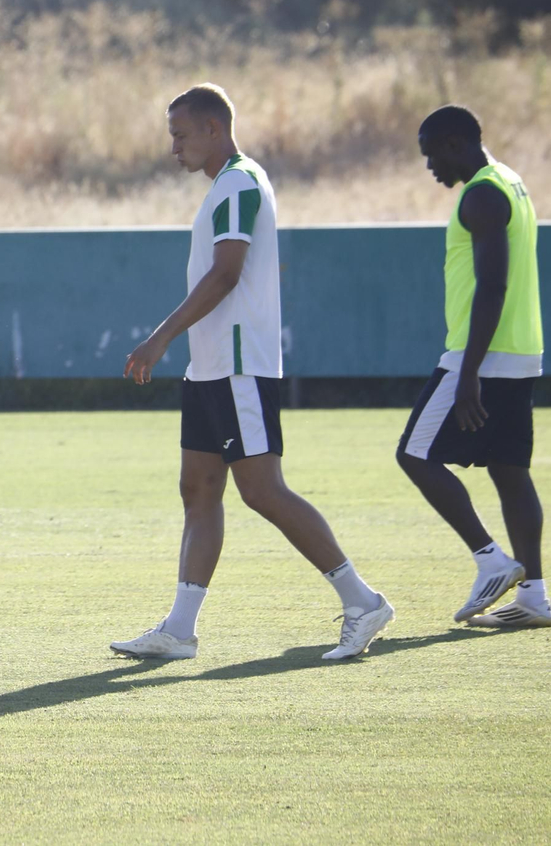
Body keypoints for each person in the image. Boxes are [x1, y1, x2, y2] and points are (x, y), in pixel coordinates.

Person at [117, 83, 394, 661]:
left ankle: (362, 600)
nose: (174, 148)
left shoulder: (239, 183)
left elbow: (226, 275)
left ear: (214, 128)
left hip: (239, 365)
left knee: (262, 491)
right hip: (211, 367)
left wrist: (160, 337)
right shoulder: (226, 186)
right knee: (198, 489)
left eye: (180, 135)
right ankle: (180, 630)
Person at [396, 105, 547, 627]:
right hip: (522, 353)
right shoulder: (511, 181)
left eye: (431, 155)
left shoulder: (480, 194)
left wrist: (468, 375)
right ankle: (534, 597)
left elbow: (493, 285)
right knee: (509, 470)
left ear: (455, 143)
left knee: (413, 454)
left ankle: (491, 561)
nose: (430, 167)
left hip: (479, 355)